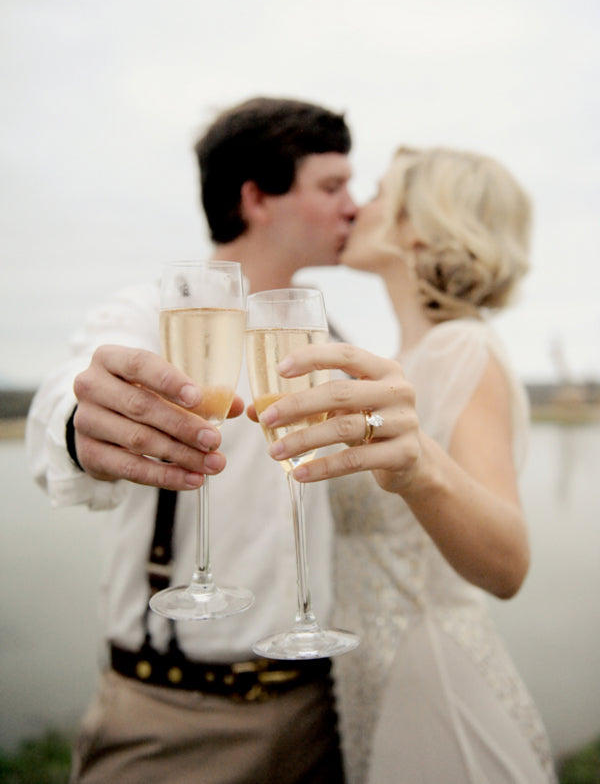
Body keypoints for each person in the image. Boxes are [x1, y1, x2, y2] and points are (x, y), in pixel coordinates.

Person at [26, 96, 357, 784]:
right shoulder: (153, 312)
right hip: (174, 720)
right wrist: (75, 421)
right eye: (332, 186)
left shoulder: (330, 340)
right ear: (256, 197)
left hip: (320, 714)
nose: (353, 206)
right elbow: (72, 386)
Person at [254, 147, 558, 784]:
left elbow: (508, 566)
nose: (354, 208)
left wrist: (422, 470)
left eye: (376, 193)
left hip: (438, 691)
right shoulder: (401, 359)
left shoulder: (460, 348)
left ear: (419, 225)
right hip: (369, 682)